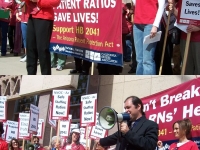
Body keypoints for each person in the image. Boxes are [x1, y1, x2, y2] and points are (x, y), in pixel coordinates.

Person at [24, 0, 61, 75]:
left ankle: (46, 76)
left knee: (42, 50)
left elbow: (56, 2)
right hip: (31, 15)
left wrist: (38, 0)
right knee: (30, 48)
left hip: (44, 18)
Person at [132, 0, 165, 75]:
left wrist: (155, 25)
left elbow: (162, 5)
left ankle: (147, 82)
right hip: (137, 23)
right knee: (139, 59)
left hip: (150, 24)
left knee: (147, 60)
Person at [168, 0, 200, 75]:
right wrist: (173, 9)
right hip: (185, 38)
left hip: (198, 40)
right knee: (187, 68)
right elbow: (180, 16)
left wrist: (198, 27)